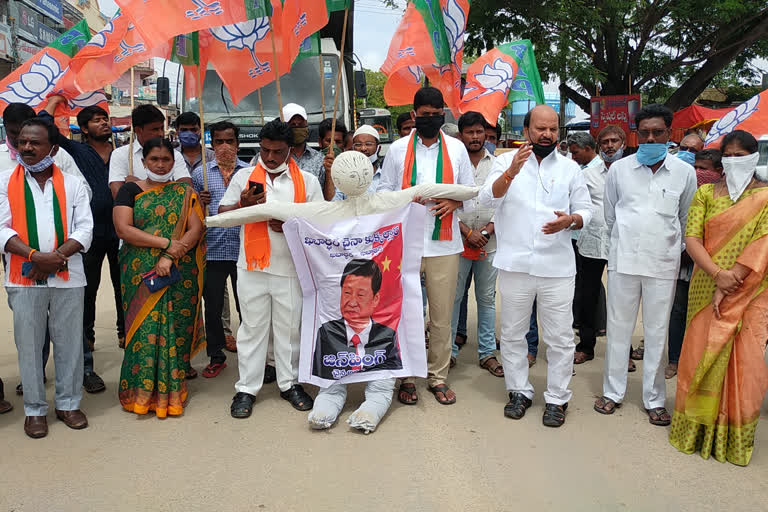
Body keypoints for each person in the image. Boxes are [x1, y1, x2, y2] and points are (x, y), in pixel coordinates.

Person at [479, 105, 592, 428]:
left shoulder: (570, 169)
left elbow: (587, 209)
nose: (547, 134)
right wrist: (512, 171)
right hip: (515, 265)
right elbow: (487, 200)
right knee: (513, 333)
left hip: (557, 267)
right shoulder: (504, 162)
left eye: (553, 129)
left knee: (559, 337)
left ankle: (557, 398)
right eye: (541, 129)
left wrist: (572, 220)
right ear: (526, 130)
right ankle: (518, 390)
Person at [668, 130, 768, 466]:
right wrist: (717, 275)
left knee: (744, 360)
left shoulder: (767, 197)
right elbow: (692, 237)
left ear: (755, 157)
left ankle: (730, 435)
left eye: (743, 155)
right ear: (720, 158)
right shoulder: (706, 194)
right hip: (705, 286)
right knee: (699, 353)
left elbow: (763, 244)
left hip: (750, 290)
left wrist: (734, 278)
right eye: (730, 155)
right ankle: (694, 429)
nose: (735, 161)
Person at [594, 104, 697, 427]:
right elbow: (610, 217)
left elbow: (686, 220)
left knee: (655, 333)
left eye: (658, 132)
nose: (651, 137)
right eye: (645, 132)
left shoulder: (684, 173)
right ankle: (612, 393)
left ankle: (654, 399)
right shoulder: (620, 170)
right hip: (624, 262)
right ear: (637, 135)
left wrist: (672, 250)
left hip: (663, 265)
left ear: (669, 134)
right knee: (619, 330)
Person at [378, 86, 475, 406]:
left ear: (443, 114)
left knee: (442, 316)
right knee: (406, 314)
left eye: (437, 115)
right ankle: (406, 375)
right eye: (425, 116)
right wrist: (405, 202)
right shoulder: (397, 149)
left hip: (444, 245)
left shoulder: (457, 150)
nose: (431, 120)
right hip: (405, 245)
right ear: (414, 115)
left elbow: (471, 193)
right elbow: (384, 193)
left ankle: (437, 376)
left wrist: (453, 201)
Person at [220, 119, 324, 419]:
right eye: (265, 151)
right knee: (252, 329)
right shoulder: (244, 177)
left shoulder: (307, 181)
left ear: (291, 150)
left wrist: (293, 225)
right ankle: (246, 389)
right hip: (251, 268)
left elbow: (320, 222)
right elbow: (222, 214)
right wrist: (244, 204)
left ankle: (288, 383)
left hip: (291, 268)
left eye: (277, 152)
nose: (269, 158)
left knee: (288, 329)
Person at [0, 117, 93, 438]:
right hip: (22, 277)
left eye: (34, 142)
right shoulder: (3, 181)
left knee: (69, 342)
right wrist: (35, 257)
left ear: (53, 148)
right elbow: (2, 228)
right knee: (28, 344)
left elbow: (85, 229)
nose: (26, 147)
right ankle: (35, 410)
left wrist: (56, 258)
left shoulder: (72, 183)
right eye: (22, 141)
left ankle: (68, 403)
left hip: (69, 277)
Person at [113, 138, 205, 418]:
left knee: (175, 327)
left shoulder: (183, 191)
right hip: (140, 271)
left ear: (173, 162)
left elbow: (196, 227)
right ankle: (139, 393)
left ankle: (172, 391)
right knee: (143, 328)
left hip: (177, 271)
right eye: (155, 159)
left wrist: (171, 255)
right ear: (144, 162)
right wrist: (165, 243)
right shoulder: (130, 190)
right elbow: (123, 229)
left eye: (166, 160)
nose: (161, 165)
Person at [42, 96, 120, 393]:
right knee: (87, 290)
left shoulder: (122, 153)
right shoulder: (76, 150)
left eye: (105, 118)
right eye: (97, 120)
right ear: (84, 128)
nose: (104, 122)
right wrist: (56, 101)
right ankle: (86, 338)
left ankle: (126, 334)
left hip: (123, 230)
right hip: (90, 233)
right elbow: (47, 127)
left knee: (124, 284)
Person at [192, 121, 249, 378]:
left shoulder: (250, 173)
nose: (224, 147)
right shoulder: (200, 174)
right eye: (218, 142)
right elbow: (190, 214)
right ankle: (216, 355)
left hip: (243, 250)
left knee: (247, 305)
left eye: (229, 141)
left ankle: (252, 354)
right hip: (212, 250)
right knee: (212, 307)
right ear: (211, 144)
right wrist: (197, 202)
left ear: (237, 143)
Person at [450, 111, 502, 377]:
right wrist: (467, 232)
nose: (475, 137)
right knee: (454, 299)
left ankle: (487, 353)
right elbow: (445, 203)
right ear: (461, 136)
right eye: (469, 132)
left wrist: (487, 230)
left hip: (489, 243)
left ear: (485, 134)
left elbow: (505, 201)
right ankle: (449, 353)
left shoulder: (498, 165)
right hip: (458, 243)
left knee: (487, 299)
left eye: (479, 132)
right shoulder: (452, 164)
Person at [312, 258, 402, 379]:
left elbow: (390, 371)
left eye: (360, 295)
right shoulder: (326, 332)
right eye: (347, 293)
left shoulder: (388, 334)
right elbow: (322, 375)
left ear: (375, 299)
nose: (352, 302)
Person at [665, 136, 708, 379]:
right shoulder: (677, 179)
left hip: (708, 267)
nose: (689, 155)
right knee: (678, 311)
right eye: (685, 149)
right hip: (682, 261)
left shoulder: (717, 193)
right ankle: (674, 360)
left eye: (695, 152)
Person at [597, 124, 638, 371]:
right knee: (598, 299)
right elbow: (609, 213)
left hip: (626, 247)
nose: (610, 146)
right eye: (605, 142)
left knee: (625, 306)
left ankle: (627, 354)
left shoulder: (634, 171)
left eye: (614, 141)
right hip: (595, 243)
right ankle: (589, 347)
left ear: (623, 142)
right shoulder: (589, 172)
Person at [567, 132, 608, 365]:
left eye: (576, 152)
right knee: (587, 294)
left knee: (622, 297)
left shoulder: (618, 170)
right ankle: (586, 345)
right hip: (588, 240)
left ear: (589, 148)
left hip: (616, 239)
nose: (573, 157)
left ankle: (624, 350)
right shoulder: (582, 173)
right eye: (571, 152)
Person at [109, 104, 191, 199]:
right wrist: (169, 192)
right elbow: (119, 196)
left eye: (161, 128)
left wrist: (138, 186)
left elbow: (187, 193)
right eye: (155, 129)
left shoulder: (174, 155)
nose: (161, 133)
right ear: (138, 130)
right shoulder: (120, 155)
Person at [282, 103, 335, 200]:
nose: (297, 128)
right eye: (293, 125)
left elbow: (329, 199)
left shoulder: (320, 160)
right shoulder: (274, 158)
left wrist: (329, 172)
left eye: (301, 124)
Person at [334, 125, 383, 200]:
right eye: (358, 145)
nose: (363, 149)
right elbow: (336, 202)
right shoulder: (343, 175)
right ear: (353, 148)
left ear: (378, 148)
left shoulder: (385, 173)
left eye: (368, 144)